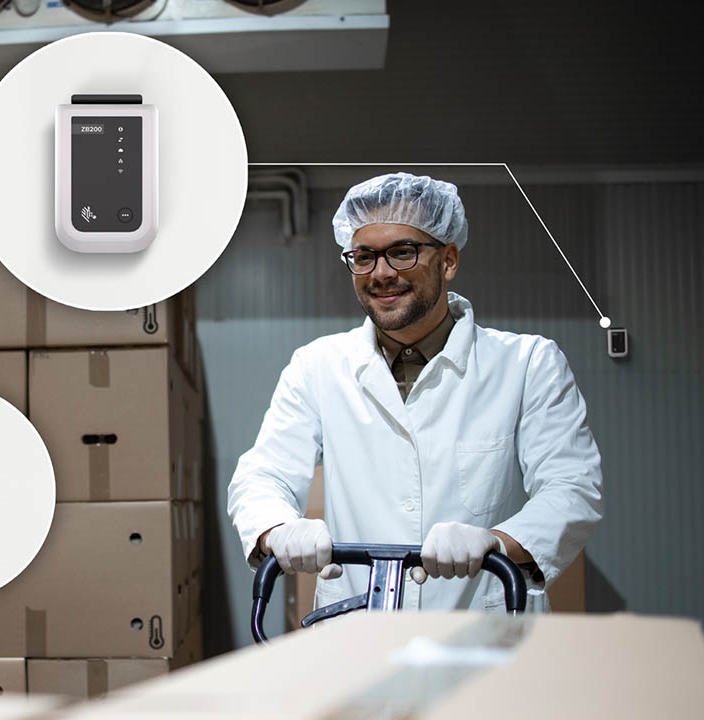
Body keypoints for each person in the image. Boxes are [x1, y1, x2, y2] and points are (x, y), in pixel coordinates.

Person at [226, 172, 603, 613]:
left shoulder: (527, 364)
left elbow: (572, 487)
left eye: (402, 253)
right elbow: (262, 475)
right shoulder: (317, 366)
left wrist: (495, 543)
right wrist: (279, 529)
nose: (381, 273)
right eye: (363, 256)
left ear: (448, 260)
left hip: (481, 631)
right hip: (357, 630)